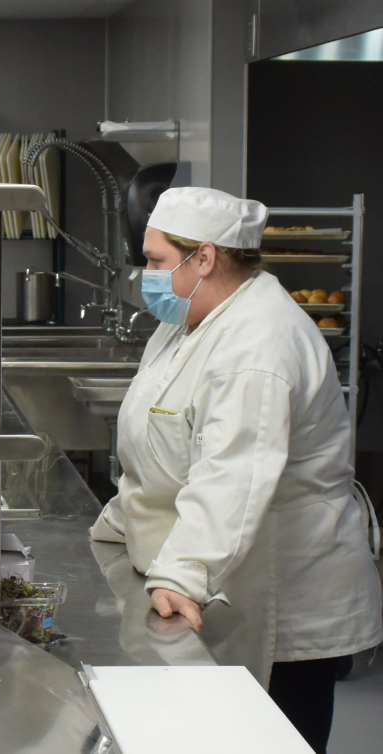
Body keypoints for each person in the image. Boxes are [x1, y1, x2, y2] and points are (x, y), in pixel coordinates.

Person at [91, 187, 382, 753]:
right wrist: (122, 521)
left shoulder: (259, 343)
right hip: (227, 582)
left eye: (155, 261)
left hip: (284, 594)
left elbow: (233, 473)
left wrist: (182, 573)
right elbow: (156, 436)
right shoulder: (190, 322)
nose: (145, 275)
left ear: (204, 257)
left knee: (272, 740)